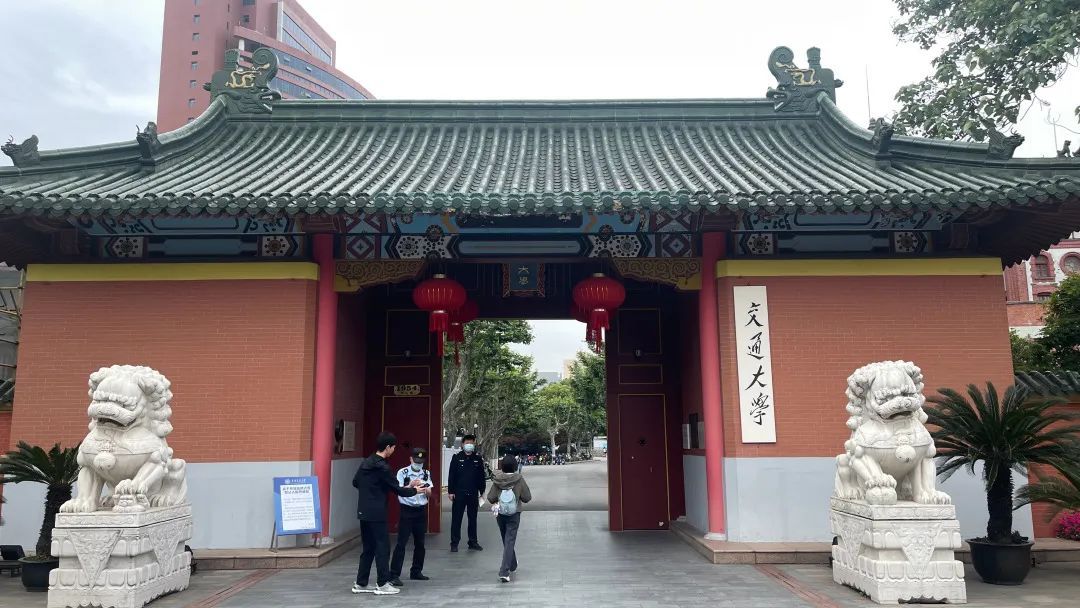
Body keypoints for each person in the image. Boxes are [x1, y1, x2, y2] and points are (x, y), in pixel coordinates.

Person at [352, 432, 430, 596]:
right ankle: (382, 583)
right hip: (377, 512)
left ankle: (360, 583)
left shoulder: (366, 462)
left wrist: (372, 490)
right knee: (383, 547)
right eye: (393, 447)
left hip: (363, 510)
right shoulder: (383, 467)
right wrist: (415, 490)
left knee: (368, 548)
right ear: (387, 447)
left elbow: (356, 482)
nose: (393, 450)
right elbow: (397, 489)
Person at [389, 447, 433, 584]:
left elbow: (430, 493)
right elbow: (398, 489)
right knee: (401, 543)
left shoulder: (426, 473)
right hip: (407, 510)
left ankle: (416, 571)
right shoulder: (403, 472)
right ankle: (394, 574)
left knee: (420, 543)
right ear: (410, 459)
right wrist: (411, 485)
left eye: (420, 461)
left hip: (420, 510)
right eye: (416, 461)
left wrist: (425, 488)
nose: (418, 464)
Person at [487, 454, 532, 583]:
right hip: (514, 514)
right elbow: (527, 497)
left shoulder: (497, 480)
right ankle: (504, 571)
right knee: (510, 540)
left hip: (500, 514)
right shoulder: (519, 479)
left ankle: (512, 564)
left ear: (502, 466)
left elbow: (491, 498)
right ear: (515, 466)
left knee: (506, 540)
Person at [447, 434, 486, 552]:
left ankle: (473, 542)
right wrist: (450, 491)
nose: (469, 445)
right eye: (467, 442)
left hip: (473, 493)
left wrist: (482, 491)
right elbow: (451, 475)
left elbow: (481, 476)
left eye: (471, 443)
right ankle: (454, 543)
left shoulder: (477, 459)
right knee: (456, 519)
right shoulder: (456, 458)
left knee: (472, 519)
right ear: (463, 444)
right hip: (459, 493)